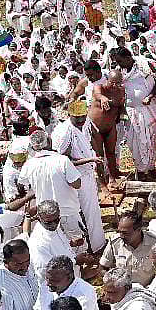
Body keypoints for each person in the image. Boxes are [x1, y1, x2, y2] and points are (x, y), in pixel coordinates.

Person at [18, 132, 90, 254]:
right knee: (78, 247)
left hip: (46, 216)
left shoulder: (29, 164)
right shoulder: (62, 160)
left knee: (55, 249)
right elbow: (77, 184)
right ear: (49, 142)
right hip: (68, 212)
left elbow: (21, 185)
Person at [52, 100, 105, 252]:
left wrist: (97, 157)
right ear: (69, 116)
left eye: (83, 117)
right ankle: (89, 248)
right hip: (75, 177)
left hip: (88, 173)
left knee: (92, 211)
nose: (81, 121)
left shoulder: (86, 122)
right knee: (83, 212)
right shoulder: (65, 132)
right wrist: (90, 159)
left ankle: (97, 244)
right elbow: (63, 160)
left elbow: (93, 138)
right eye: (77, 118)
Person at [113, 47, 156, 180]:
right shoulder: (119, 72)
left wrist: (150, 96)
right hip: (129, 113)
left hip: (147, 110)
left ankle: (151, 168)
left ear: (128, 58)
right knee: (132, 142)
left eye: (121, 61)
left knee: (150, 140)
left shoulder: (144, 65)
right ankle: (140, 170)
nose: (119, 64)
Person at [26, 201, 81, 281]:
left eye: (56, 220)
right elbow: (47, 271)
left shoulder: (52, 226)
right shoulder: (38, 243)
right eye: (48, 222)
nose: (53, 224)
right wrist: (75, 261)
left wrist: (72, 243)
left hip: (73, 276)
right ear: (39, 218)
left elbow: (57, 246)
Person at [100, 212, 156, 286]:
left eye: (125, 233)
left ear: (138, 230)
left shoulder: (154, 243)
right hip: (122, 291)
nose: (121, 236)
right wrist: (112, 281)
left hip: (146, 290)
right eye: (119, 232)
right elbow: (103, 267)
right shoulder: (115, 242)